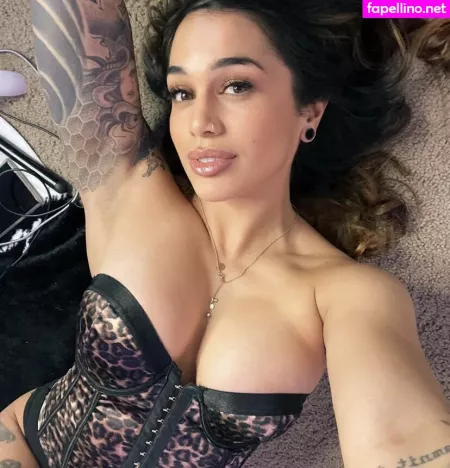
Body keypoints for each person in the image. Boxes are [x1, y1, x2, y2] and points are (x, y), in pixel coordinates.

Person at [1, 0, 449, 466]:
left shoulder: (348, 295)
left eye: (236, 85)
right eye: (182, 93)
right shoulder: (127, 186)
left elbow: (399, 435)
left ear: (310, 111)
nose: (200, 123)